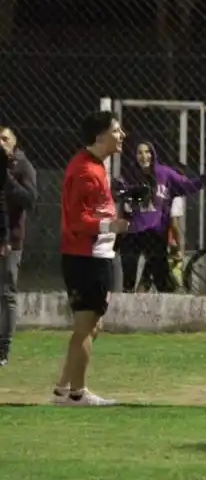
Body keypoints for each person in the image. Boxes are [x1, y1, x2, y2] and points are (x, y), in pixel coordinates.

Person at [53, 111, 130, 405]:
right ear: (100, 137)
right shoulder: (85, 169)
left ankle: (63, 387)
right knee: (85, 326)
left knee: (92, 326)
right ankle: (77, 393)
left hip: (95, 255)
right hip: (86, 258)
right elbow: (75, 220)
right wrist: (110, 225)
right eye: (117, 131)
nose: (122, 135)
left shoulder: (96, 166)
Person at [118, 142, 206, 293]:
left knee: (159, 274)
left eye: (147, 152)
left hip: (155, 231)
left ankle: (167, 295)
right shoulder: (129, 176)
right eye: (140, 152)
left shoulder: (164, 173)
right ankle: (129, 292)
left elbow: (187, 185)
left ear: (153, 154)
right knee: (129, 266)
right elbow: (122, 203)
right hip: (134, 230)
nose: (144, 156)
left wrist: (205, 179)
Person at [0, 127, 35, 366]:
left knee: (7, 293)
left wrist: (7, 178)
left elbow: (29, 199)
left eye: (4, 139)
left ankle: (4, 348)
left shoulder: (22, 167)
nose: (0, 142)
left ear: (14, 143)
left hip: (11, 240)